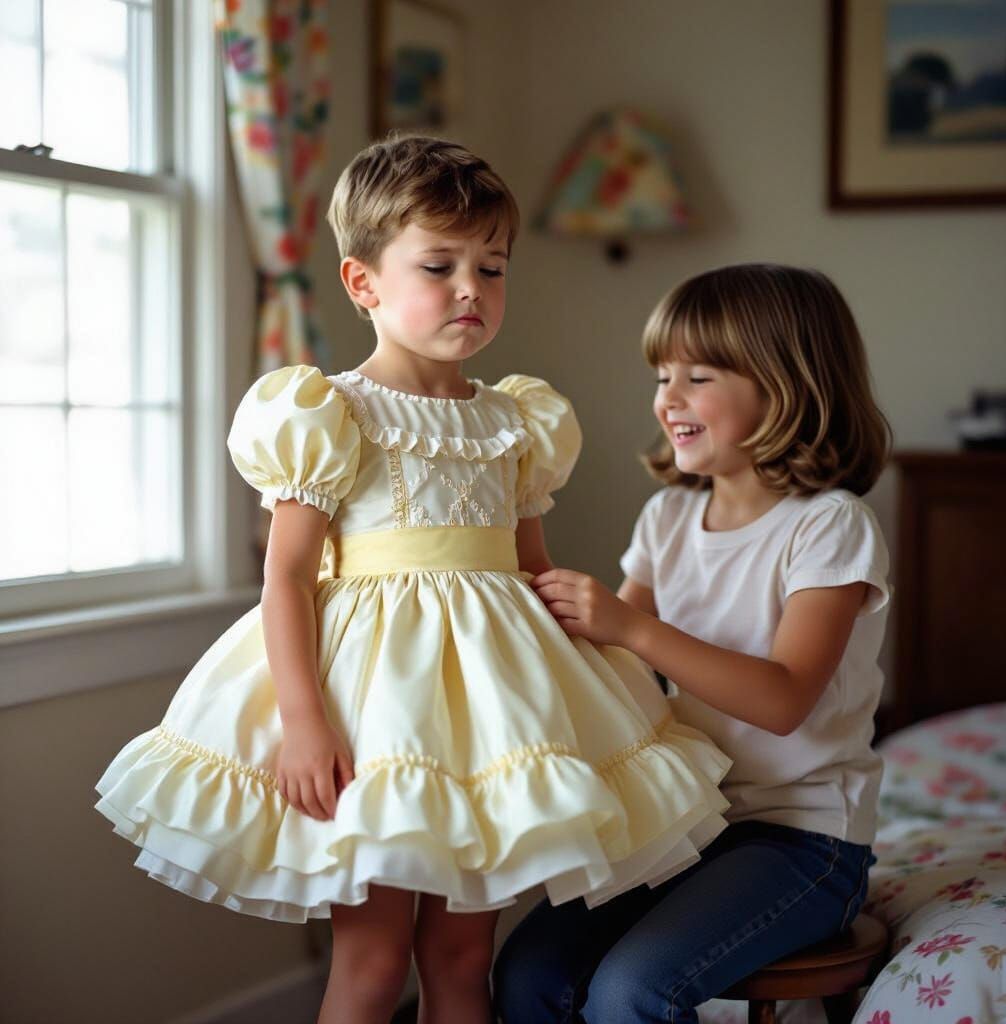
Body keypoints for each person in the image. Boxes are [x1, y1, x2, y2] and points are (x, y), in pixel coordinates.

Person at [94, 136, 730, 1024]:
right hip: (372, 712)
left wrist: (594, 672)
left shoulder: (517, 420)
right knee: (372, 956)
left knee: (463, 957)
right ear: (363, 283)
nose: (472, 289)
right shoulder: (329, 412)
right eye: (440, 266)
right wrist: (304, 722)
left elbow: (530, 567)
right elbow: (287, 579)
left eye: (492, 268)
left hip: (495, 714)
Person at [494, 263, 893, 1024]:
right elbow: (614, 664)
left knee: (631, 993)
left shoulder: (830, 526)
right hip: (687, 822)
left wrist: (630, 626)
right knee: (528, 971)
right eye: (662, 376)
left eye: (697, 377)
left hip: (805, 842)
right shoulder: (668, 518)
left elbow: (783, 701)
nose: (667, 399)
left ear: (785, 387)